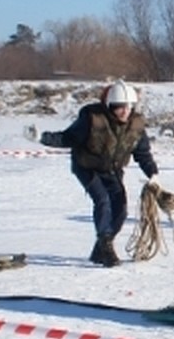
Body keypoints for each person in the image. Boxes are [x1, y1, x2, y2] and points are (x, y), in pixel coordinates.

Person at [39, 80, 160, 267]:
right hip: (87, 167)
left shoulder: (135, 125)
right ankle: (105, 246)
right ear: (110, 106)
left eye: (128, 107)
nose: (125, 111)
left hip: (112, 170)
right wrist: (44, 137)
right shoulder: (92, 118)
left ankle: (100, 249)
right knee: (102, 200)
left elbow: (142, 153)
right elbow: (69, 137)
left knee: (120, 210)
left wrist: (152, 173)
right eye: (120, 107)